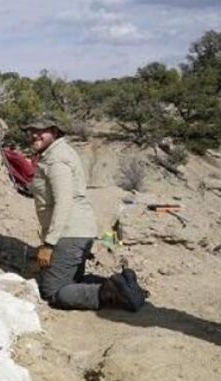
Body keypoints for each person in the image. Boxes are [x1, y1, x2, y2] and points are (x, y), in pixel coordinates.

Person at [22, 116, 147, 311]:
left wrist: (49, 243)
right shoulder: (57, 153)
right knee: (75, 279)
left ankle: (114, 293)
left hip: (68, 232)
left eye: (41, 130)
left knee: (53, 291)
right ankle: (125, 284)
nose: (34, 135)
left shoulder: (56, 160)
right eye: (31, 131)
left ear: (54, 132)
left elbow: (64, 201)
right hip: (77, 230)